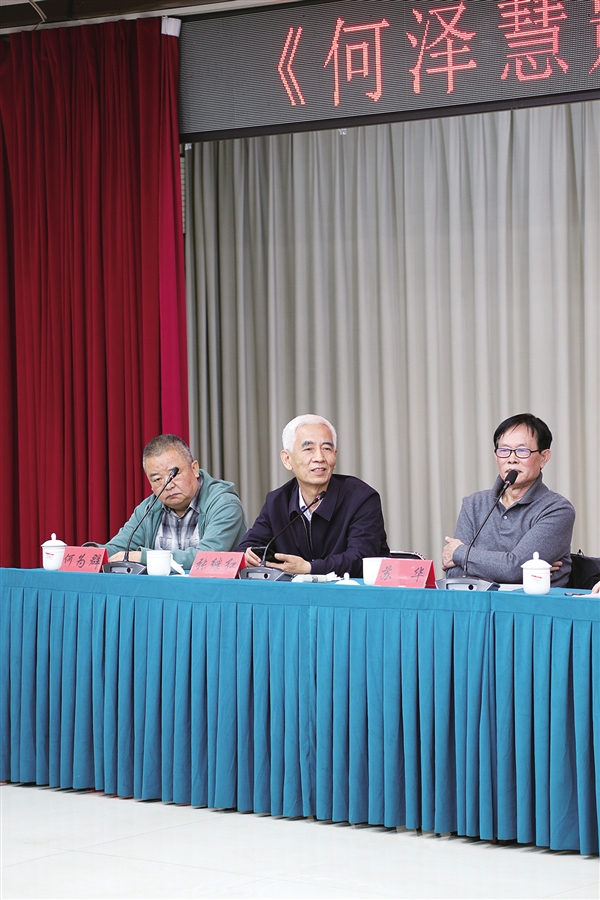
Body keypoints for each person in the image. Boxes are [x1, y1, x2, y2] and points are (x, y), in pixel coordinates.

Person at [236, 414, 389, 577]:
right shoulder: (277, 502)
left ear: (335, 456)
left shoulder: (362, 498)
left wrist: (310, 568)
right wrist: (247, 556)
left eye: (326, 448)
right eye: (309, 449)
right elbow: (244, 549)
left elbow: (362, 559)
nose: (319, 458)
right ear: (287, 459)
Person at [442, 414, 575, 586]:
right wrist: (511, 567)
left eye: (522, 451)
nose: (512, 459)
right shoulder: (473, 504)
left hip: (531, 602)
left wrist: (460, 554)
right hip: (477, 602)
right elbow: (454, 573)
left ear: (543, 457)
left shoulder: (557, 509)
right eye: (504, 451)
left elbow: (513, 569)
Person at [99, 434, 247, 569]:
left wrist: (145, 557)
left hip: (211, 588)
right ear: (150, 485)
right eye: (157, 479)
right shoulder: (148, 509)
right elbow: (117, 548)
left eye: (174, 474)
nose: (168, 485)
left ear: (194, 468)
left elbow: (208, 557)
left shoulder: (224, 504)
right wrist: (93, 553)